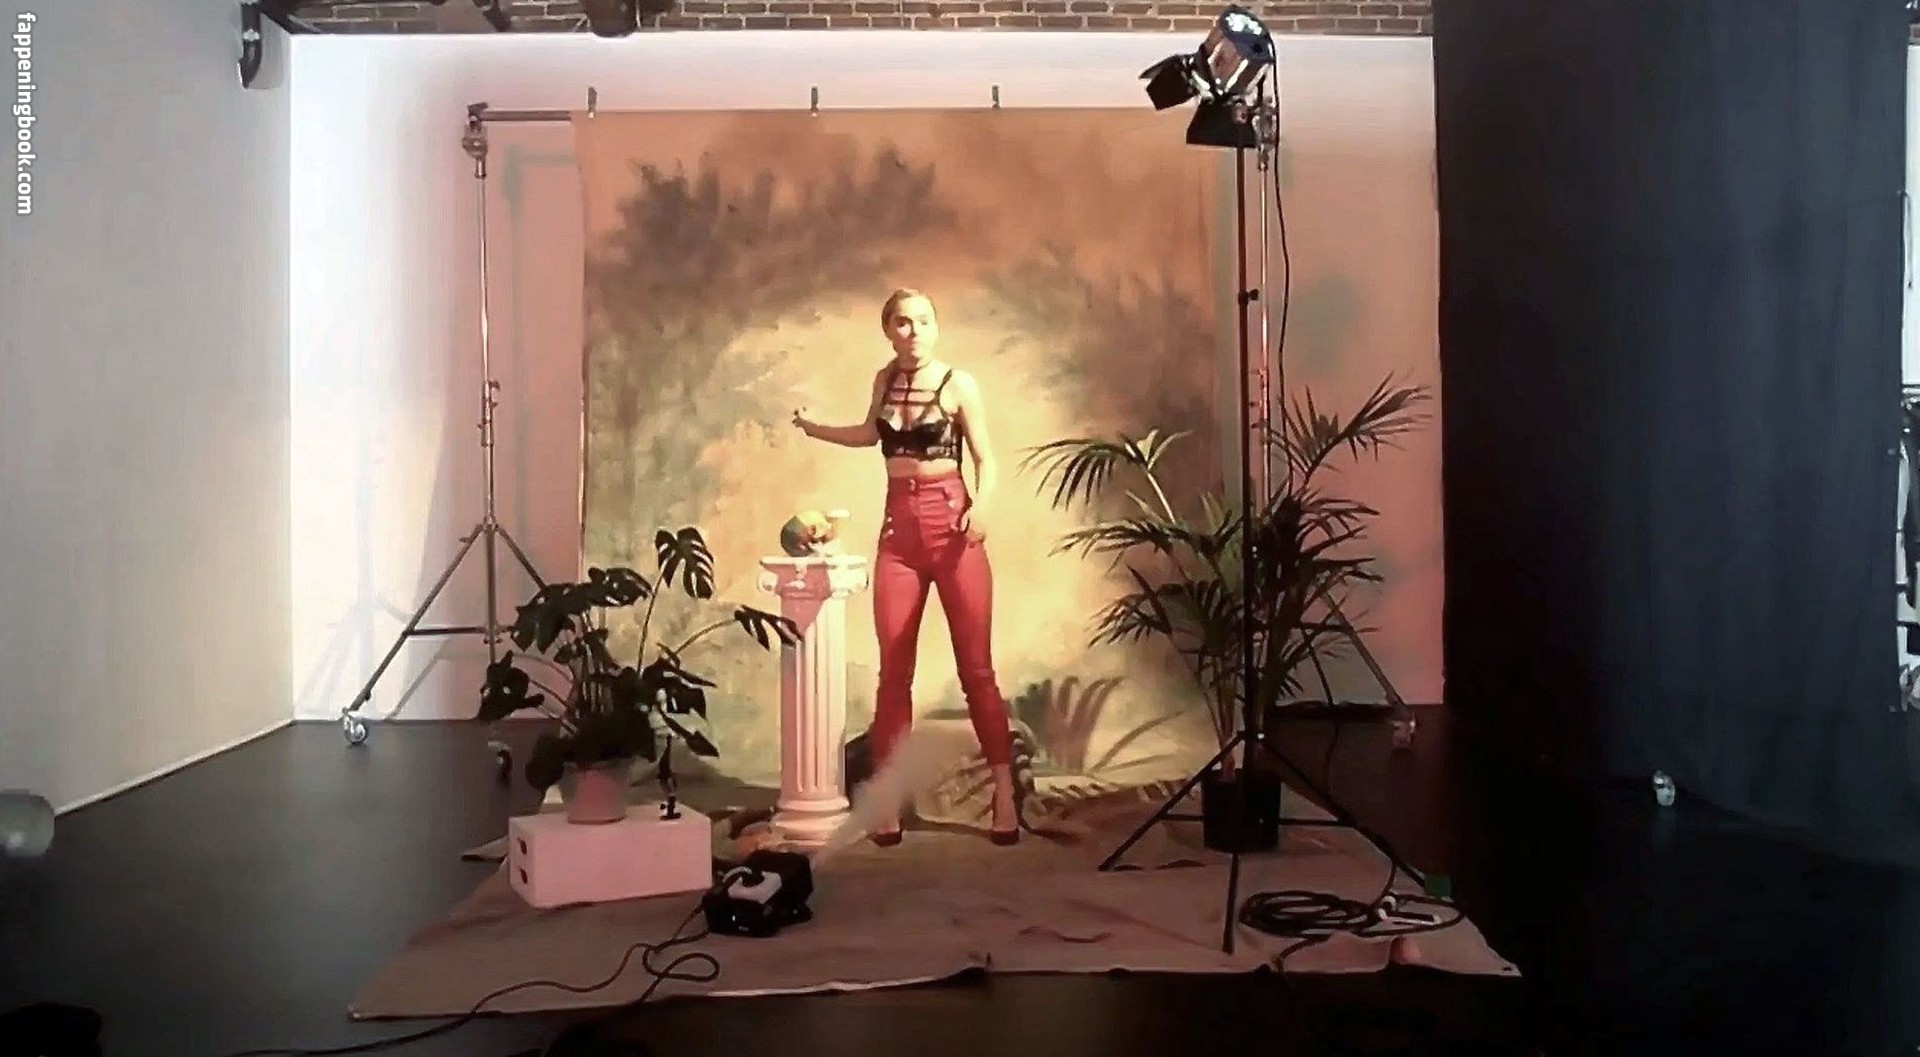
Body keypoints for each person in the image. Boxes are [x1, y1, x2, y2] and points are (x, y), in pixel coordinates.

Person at [792, 289, 1019, 846]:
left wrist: (983, 509)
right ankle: (887, 798)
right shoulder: (885, 379)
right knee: (894, 673)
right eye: (902, 322)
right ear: (888, 330)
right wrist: (815, 428)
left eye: (923, 321)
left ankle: (1004, 792)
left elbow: (987, 457)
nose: (913, 331)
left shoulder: (959, 384)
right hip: (898, 532)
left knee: (977, 670)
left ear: (936, 327)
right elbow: (870, 433)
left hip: (953, 526)